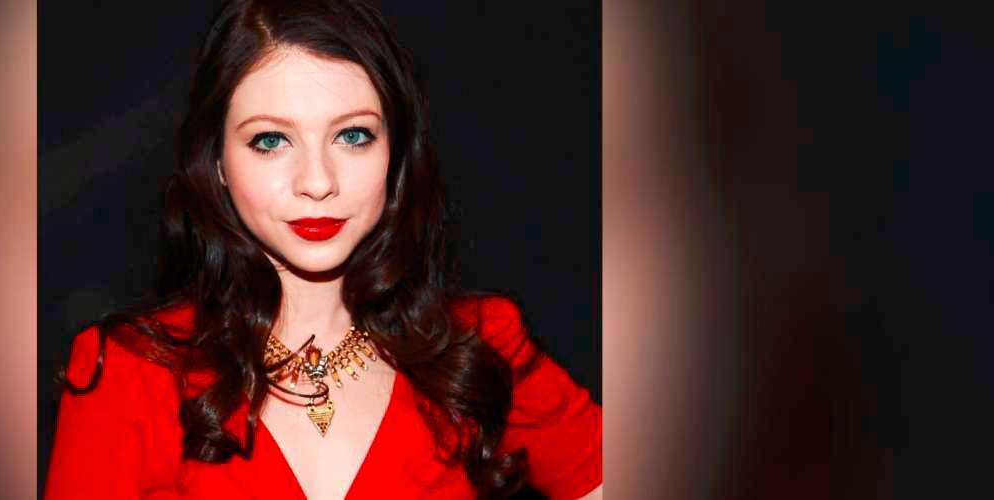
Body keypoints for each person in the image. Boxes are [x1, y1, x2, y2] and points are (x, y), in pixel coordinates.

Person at [44, 1, 602, 498]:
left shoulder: (474, 348)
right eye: (270, 140)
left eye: (352, 135)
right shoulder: (128, 372)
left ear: (395, 153)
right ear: (216, 163)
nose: (317, 181)